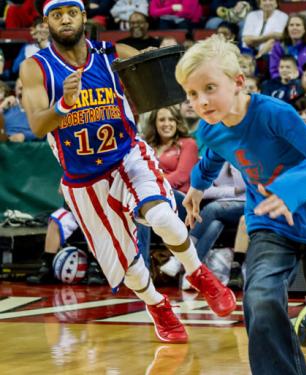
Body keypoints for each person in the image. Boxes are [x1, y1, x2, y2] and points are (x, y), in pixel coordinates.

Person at [19, 0, 236, 344]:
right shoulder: (36, 68)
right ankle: (157, 306)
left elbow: (161, 81)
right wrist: (63, 103)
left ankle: (197, 272)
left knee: (163, 216)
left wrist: (165, 62)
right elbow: (35, 123)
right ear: (47, 22)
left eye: (70, 12)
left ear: (83, 17)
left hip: (126, 156)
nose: (65, 20)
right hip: (83, 178)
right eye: (56, 14)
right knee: (128, 266)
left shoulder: (112, 53)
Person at [175, 34, 306, 375]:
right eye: (192, 94)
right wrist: (196, 188)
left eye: (210, 88)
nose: (201, 101)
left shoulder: (275, 114)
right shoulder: (210, 130)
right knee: (260, 296)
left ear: (239, 82)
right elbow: (213, 155)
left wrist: (286, 191)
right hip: (269, 223)